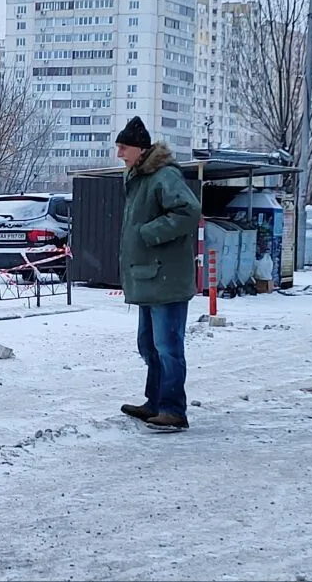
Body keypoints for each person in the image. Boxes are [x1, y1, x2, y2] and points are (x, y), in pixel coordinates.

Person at [114, 116, 202, 430]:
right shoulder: (138, 178)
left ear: (140, 149)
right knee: (148, 345)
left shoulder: (164, 176)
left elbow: (189, 212)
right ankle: (155, 402)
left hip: (167, 278)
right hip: (148, 277)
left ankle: (173, 409)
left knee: (168, 347)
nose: (119, 153)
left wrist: (150, 232)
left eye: (124, 147)